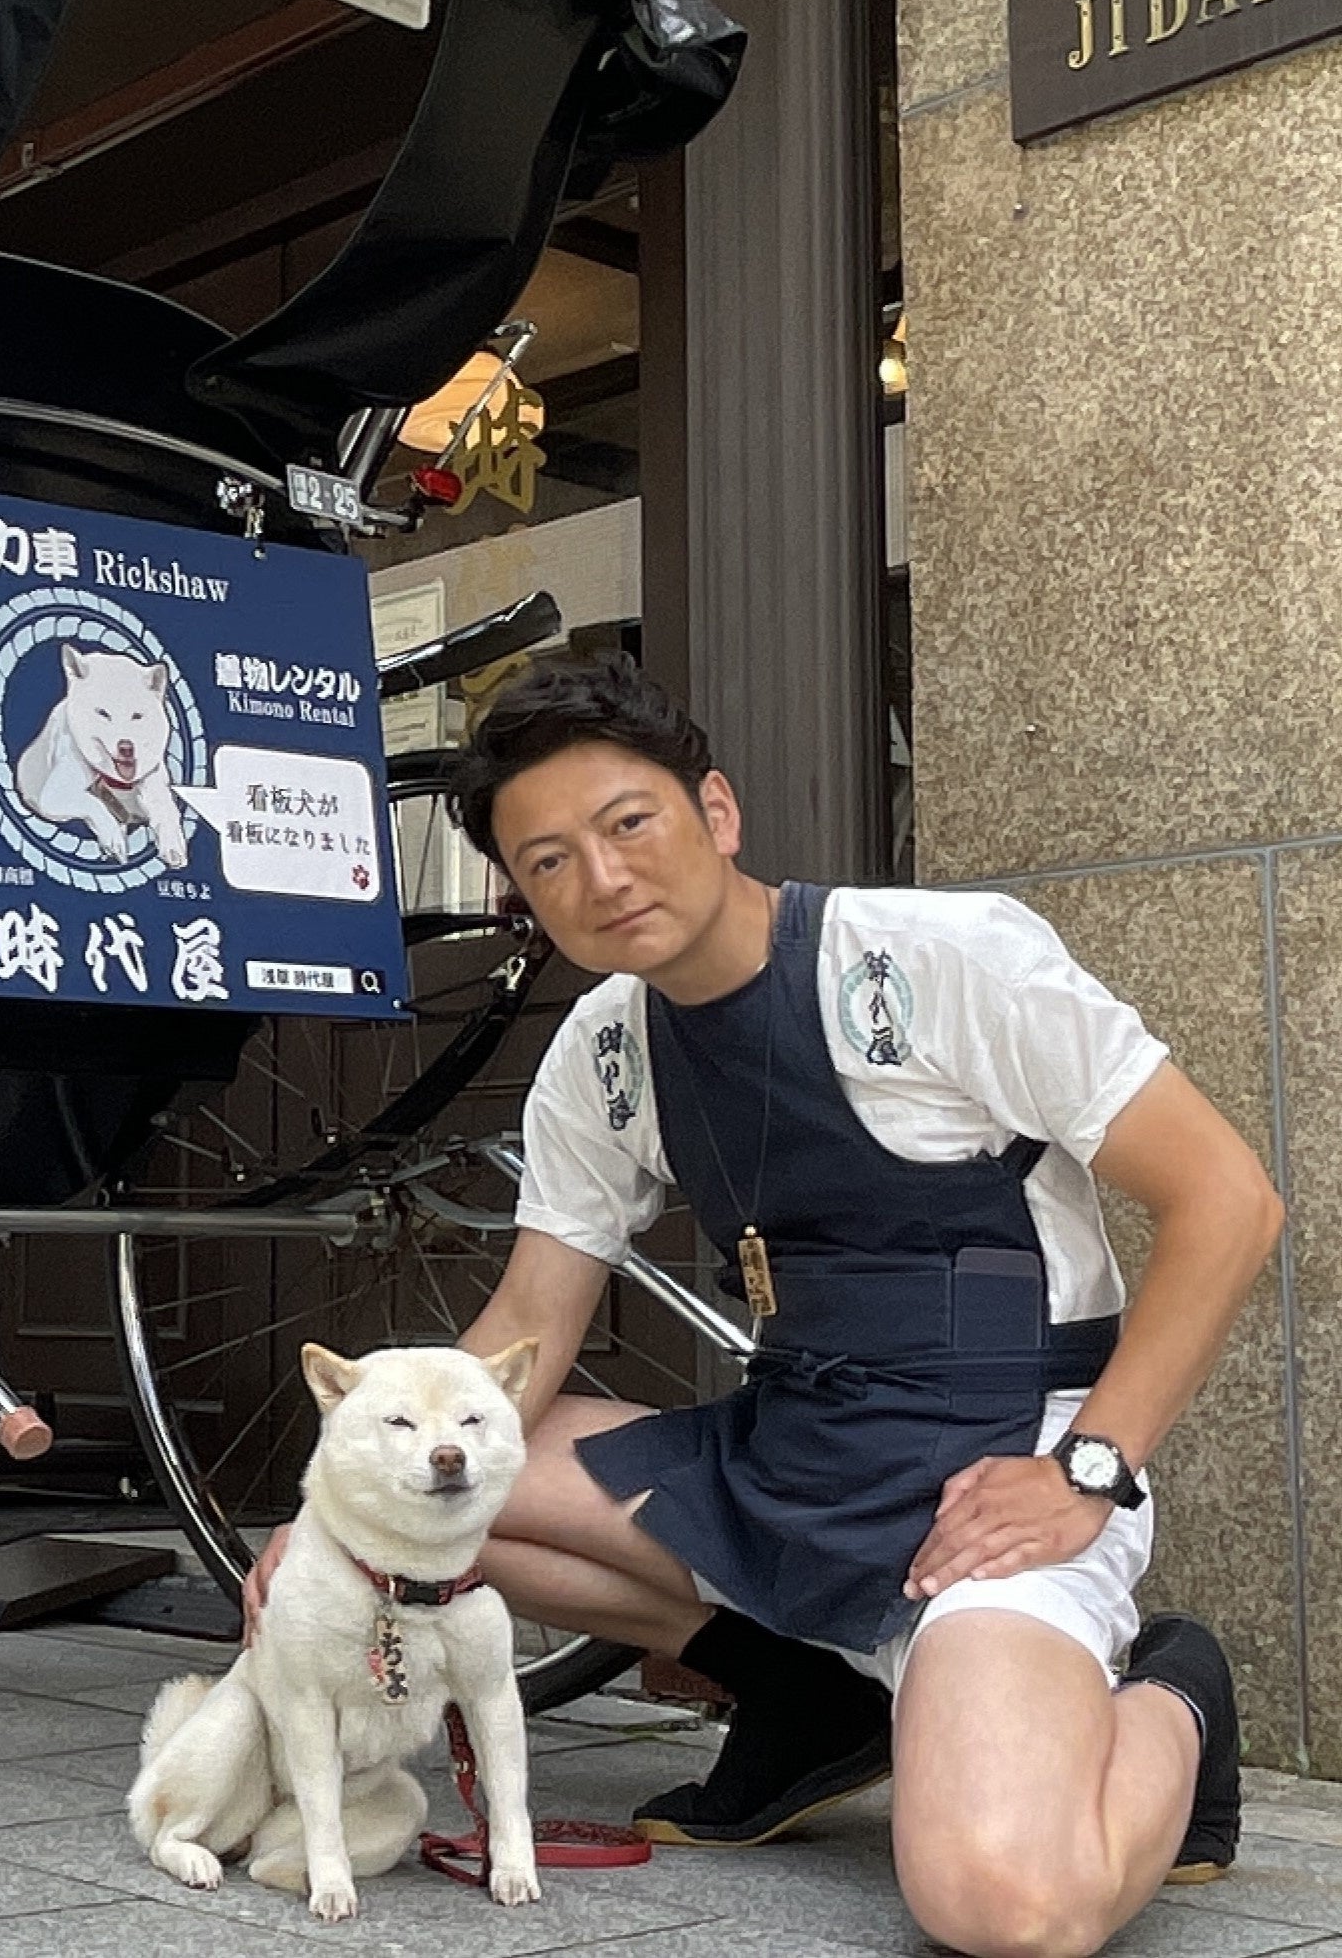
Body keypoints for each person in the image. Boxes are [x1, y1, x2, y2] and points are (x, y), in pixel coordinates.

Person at [245, 655, 1281, 1958]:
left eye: (630, 825)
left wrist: (1090, 1467)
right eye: (552, 860)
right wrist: (334, 1509)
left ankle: (1178, 1688)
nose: (606, 879)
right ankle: (807, 1703)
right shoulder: (607, 1050)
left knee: (1010, 1903)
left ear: (715, 813)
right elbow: (534, 1314)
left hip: (999, 1473)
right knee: (434, 1502)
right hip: (796, 1451)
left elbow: (1228, 1201)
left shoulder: (935, 961)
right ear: (521, 899)